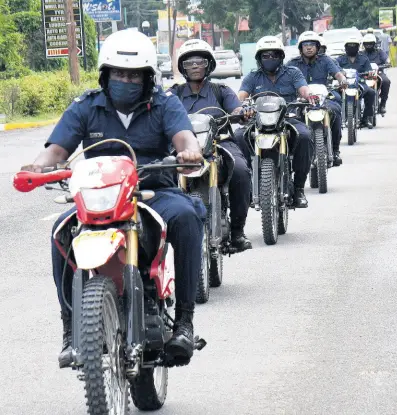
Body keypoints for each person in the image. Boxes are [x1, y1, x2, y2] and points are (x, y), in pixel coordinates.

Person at [19, 30, 207, 368]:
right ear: (106, 75)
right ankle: (70, 328)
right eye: (119, 73)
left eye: (134, 75)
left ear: (147, 77)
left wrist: (190, 152)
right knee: (61, 233)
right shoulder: (86, 105)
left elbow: (183, 138)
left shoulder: (166, 103)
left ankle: (184, 323)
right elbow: (57, 150)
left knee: (186, 216)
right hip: (97, 197)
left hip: (152, 192)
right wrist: (38, 166)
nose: (126, 80)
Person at [167, 39, 253, 252]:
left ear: (209, 65)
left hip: (220, 143)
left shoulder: (220, 91)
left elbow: (236, 108)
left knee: (241, 171)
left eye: (200, 61)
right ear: (182, 68)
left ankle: (237, 232)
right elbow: (158, 109)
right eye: (189, 63)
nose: (195, 66)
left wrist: (241, 113)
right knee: (159, 174)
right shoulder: (174, 93)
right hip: (182, 150)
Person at [237, 36, 313, 208]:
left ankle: (299, 188)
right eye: (265, 56)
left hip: (287, 119)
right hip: (258, 122)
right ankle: (247, 184)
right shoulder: (252, 77)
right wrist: (240, 106)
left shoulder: (293, 72)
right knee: (238, 136)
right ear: (259, 59)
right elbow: (241, 96)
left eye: (274, 55)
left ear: (281, 57)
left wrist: (309, 95)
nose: (270, 59)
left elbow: (303, 89)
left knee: (305, 136)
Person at [287, 31, 347, 166]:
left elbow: (337, 74)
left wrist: (342, 79)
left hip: (322, 98)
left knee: (336, 111)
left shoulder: (325, 60)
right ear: (300, 48)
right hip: (300, 101)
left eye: (312, 45)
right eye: (305, 45)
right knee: (288, 118)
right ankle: (291, 153)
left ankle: (335, 150)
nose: (309, 47)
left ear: (318, 47)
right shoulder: (292, 63)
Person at [336, 36, 376, 129]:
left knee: (371, 92)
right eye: (350, 46)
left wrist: (369, 73)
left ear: (358, 47)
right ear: (345, 47)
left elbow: (369, 70)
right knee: (334, 96)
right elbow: (335, 69)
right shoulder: (340, 59)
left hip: (360, 83)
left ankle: (367, 118)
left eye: (354, 45)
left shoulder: (364, 58)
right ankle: (337, 119)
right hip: (344, 84)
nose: (352, 47)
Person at [361, 33, 391, 114]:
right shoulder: (361, 54)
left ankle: (383, 104)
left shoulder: (379, 52)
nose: (368, 45)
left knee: (386, 81)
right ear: (363, 44)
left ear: (374, 44)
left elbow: (386, 59)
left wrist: (387, 62)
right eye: (366, 44)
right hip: (365, 74)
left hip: (378, 73)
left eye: (370, 43)